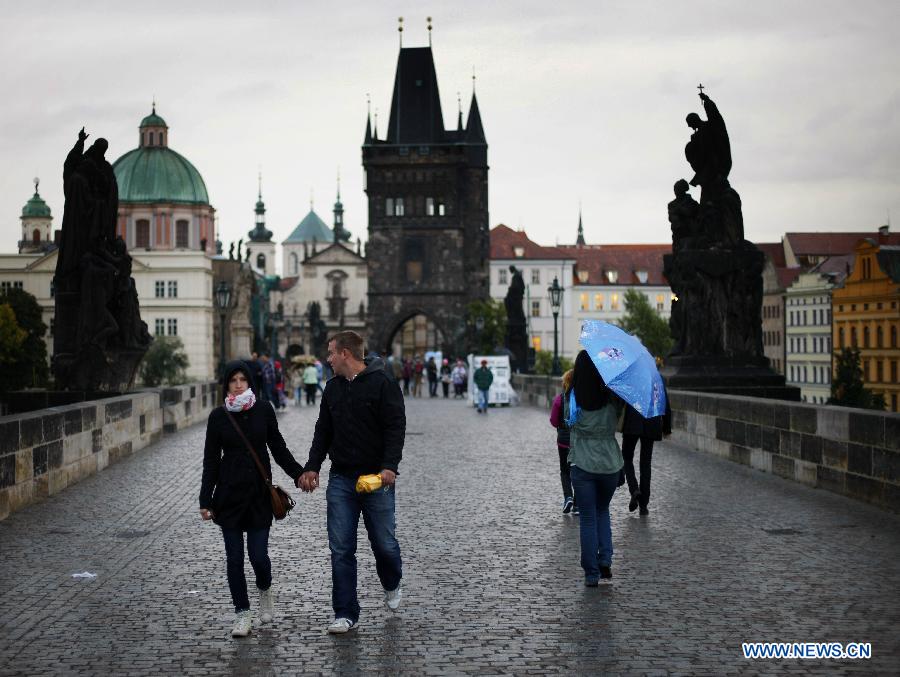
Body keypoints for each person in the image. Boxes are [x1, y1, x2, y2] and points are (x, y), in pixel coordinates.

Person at [299, 331, 405, 634]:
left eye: (331, 353)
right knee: (341, 548)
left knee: (384, 545)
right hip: (342, 478)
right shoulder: (331, 389)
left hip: (376, 479)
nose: (328, 359)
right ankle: (345, 613)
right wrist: (312, 467)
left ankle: (391, 581)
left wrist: (389, 467)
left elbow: (396, 426)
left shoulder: (384, 383)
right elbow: (323, 432)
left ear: (345, 353)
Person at [199, 360, 304, 637]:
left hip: (258, 494)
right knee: (234, 559)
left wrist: (298, 474)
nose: (237, 384)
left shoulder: (263, 410)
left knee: (258, 556)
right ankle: (242, 614)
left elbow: (278, 447)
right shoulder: (218, 417)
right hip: (229, 496)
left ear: (250, 382)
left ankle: (266, 589)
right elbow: (211, 461)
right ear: (226, 384)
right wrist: (205, 500)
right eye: (233, 380)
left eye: (242, 380)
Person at [566, 350, 624, 587]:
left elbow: (565, 421)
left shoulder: (572, 397)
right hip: (609, 464)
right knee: (603, 511)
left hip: (582, 462)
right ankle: (605, 561)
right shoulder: (611, 396)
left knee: (588, 518)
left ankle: (591, 573)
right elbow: (620, 418)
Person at [621, 388, 671, 516]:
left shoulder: (633, 376)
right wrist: (666, 427)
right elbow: (664, 402)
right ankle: (643, 505)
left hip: (632, 422)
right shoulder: (655, 379)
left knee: (626, 458)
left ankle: (634, 490)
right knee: (645, 463)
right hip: (652, 422)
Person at [549, 369, 576, 515]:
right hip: (579, 442)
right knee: (578, 471)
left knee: (565, 471)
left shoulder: (560, 399)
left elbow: (553, 421)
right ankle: (578, 505)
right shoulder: (583, 399)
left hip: (564, 442)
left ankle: (568, 497)